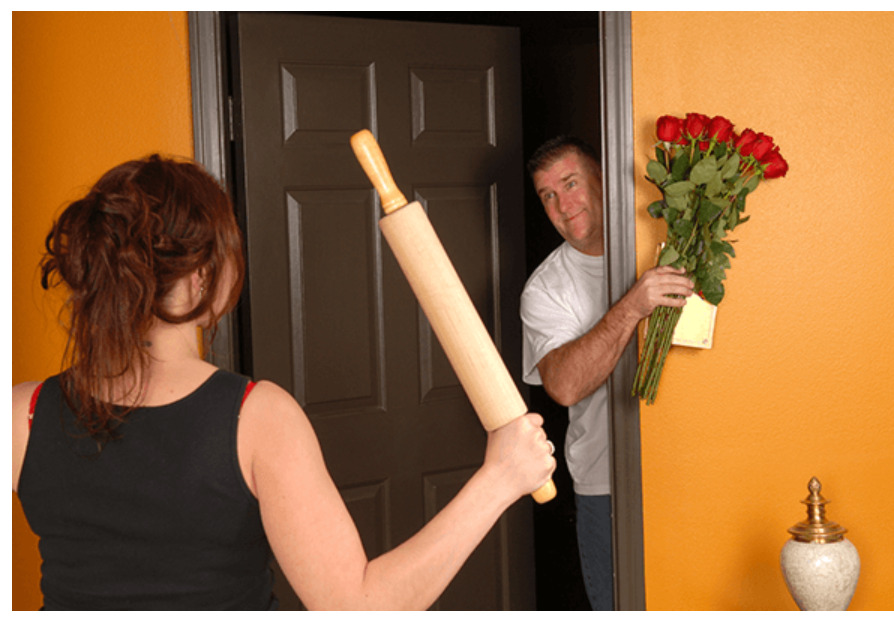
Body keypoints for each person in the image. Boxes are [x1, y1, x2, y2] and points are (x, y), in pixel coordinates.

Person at [11, 154, 556, 611]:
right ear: (201, 276)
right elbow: (356, 607)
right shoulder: (257, 418)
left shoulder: (22, 414)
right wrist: (499, 479)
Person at [520, 137, 693, 610]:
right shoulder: (545, 289)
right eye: (548, 195)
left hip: (686, 468)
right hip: (605, 485)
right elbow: (564, 386)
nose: (563, 205)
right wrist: (632, 306)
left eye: (570, 184)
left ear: (601, 180)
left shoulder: (663, 241)